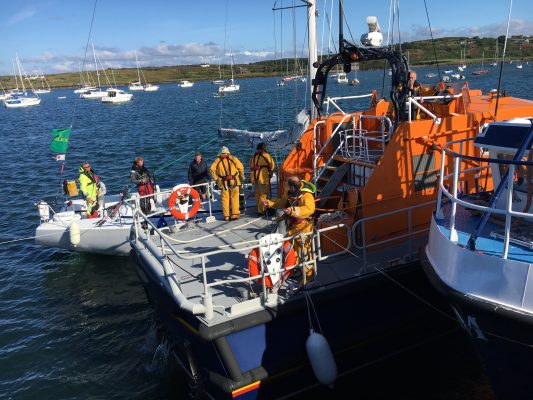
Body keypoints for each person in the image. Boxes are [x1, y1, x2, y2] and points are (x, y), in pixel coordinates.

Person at [262, 176, 316, 283]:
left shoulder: (307, 196)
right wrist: (270, 203)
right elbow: (281, 203)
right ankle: (295, 269)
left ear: (292, 186)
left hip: (304, 228)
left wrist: (293, 210)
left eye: (288, 185)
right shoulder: (289, 194)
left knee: (305, 253)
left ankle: (309, 277)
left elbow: (309, 209)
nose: (287, 187)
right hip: (292, 227)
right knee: (293, 251)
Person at [210, 146, 244, 221]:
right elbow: (241, 168)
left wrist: (216, 179)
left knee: (225, 199)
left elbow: (211, 169)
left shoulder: (217, 160)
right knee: (235, 197)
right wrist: (241, 177)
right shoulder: (233, 158)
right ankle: (235, 214)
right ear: (228, 152)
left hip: (223, 183)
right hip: (234, 181)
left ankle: (226, 216)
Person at [249, 142, 275, 215]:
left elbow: (251, 166)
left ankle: (258, 208)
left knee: (257, 194)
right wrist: (270, 175)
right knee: (263, 195)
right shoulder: (267, 155)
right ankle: (261, 211)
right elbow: (272, 166)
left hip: (255, 179)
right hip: (262, 179)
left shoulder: (253, 157)